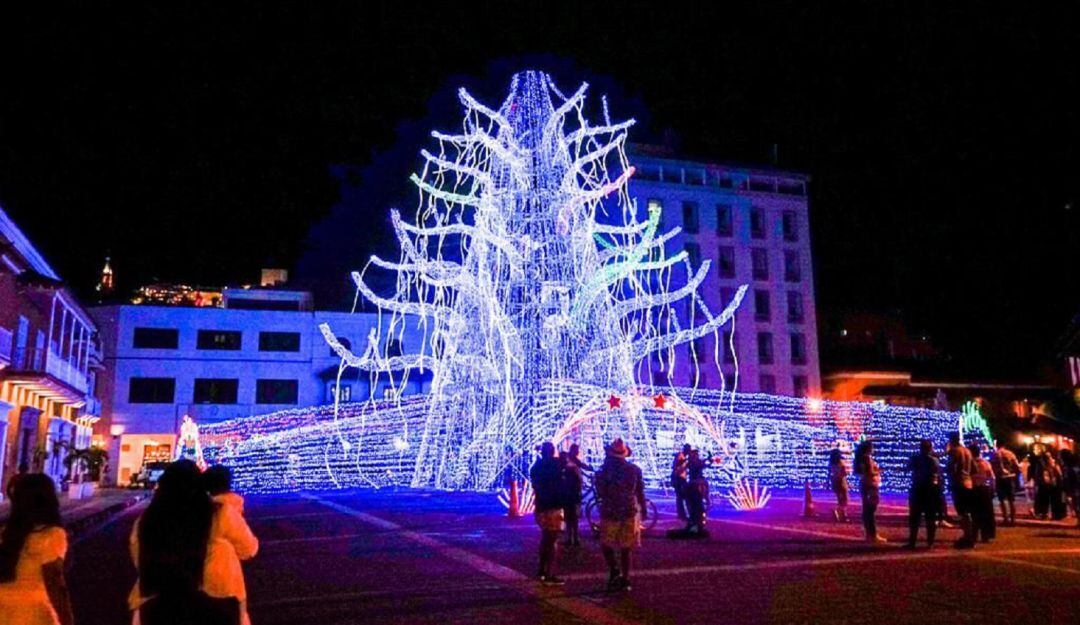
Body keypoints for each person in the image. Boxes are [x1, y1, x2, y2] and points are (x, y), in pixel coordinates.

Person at [129, 459, 240, 625]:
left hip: (159, 604)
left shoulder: (147, 521)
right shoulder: (215, 515)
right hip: (211, 601)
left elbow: (139, 559)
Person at [0, 474, 74, 625]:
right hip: (33, 613)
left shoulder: (6, 533)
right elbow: (54, 582)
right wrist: (67, 619)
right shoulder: (51, 535)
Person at [202, 465, 259, 625]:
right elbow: (249, 547)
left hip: (195, 581)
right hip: (225, 582)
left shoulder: (194, 510)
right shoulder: (226, 511)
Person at [594, 438, 647, 591]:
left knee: (606, 544)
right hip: (629, 510)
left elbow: (601, 492)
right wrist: (643, 508)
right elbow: (639, 491)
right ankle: (625, 578)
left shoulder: (604, 471)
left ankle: (614, 569)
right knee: (626, 547)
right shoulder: (634, 469)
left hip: (610, 510)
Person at [529, 442, 565, 586]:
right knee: (552, 541)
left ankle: (542, 570)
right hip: (553, 506)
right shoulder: (556, 465)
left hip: (540, 506)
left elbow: (535, 484)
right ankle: (549, 574)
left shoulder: (536, 467)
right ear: (553, 451)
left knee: (545, 539)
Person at [905, 439, 940, 549]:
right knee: (930, 517)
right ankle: (930, 542)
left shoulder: (915, 458)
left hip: (918, 489)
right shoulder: (934, 460)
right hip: (929, 490)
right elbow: (936, 473)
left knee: (915, 517)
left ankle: (912, 541)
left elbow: (908, 468)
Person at [946, 432, 976, 549]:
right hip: (968, 483)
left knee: (962, 512)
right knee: (967, 512)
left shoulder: (954, 451)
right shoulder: (967, 451)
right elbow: (974, 468)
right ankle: (969, 535)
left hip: (958, 483)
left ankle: (967, 536)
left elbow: (951, 467)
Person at [853, 440, 886, 544]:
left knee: (867, 509)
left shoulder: (860, 458)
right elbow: (870, 472)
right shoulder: (866, 458)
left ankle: (869, 534)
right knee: (870, 510)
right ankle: (872, 534)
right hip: (871, 485)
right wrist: (879, 471)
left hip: (865, 484)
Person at [560, 444, 591, 548]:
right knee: (572, 516)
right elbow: (580, 469)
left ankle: (572, 538)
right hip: (572, 492)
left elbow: (581, 466)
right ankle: (574, 538)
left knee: (571, 516)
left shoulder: (571, 461)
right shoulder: (570, 463)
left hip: (568, 492)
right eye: (577, 450)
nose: (578, 452)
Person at [969, 444, 996, 543]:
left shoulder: (969, 464)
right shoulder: (985, 463)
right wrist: (993, 489)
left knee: (974, 513)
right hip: (984, 489)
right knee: (986, 513)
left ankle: (974, 535)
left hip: (974, 489)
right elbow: (992, 477)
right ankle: (986, 535)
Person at [990, 441, 1020, 525]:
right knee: (1011, 500)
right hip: (1010, 477)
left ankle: (1005, 519)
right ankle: (1013, 520)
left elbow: (992, 467)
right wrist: (1015, 476)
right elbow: (1017, 466)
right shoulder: (1010, 454)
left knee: (1002, 499)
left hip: (1000, 479)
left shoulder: (994, 455)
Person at [683, 449, 709, 535]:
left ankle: (695, 524)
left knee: (694, 506)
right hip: (698, 484)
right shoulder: (698, 462)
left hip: (694, 485)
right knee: (698, 506)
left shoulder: (690, 463)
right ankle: (698, 524)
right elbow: (707, 462)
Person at [827, 449, 850, 523]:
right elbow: (844, 472)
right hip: (841, 481)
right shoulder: (841, 462)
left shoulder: (830, 463)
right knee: (845, 500)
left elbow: (829, 473)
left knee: (839, 499)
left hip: (834, 481)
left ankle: (843, 515)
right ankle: (839, 511)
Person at [670, 444, 691, 521]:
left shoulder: (685, 457)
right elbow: (676, 467)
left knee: (682, 497)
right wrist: (684, 462)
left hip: (681, 478)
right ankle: (682, 514)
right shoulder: (680, 456)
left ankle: (682, 514)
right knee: (681, 497)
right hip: (678, 478)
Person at [1060, 449, 1080, 527]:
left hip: (1074, 489)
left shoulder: (1069, 468)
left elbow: (1069, 479)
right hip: (1074, 488)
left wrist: (1067, 490)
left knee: (1076, 505)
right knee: (1075, 505)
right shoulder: (1072, 466)